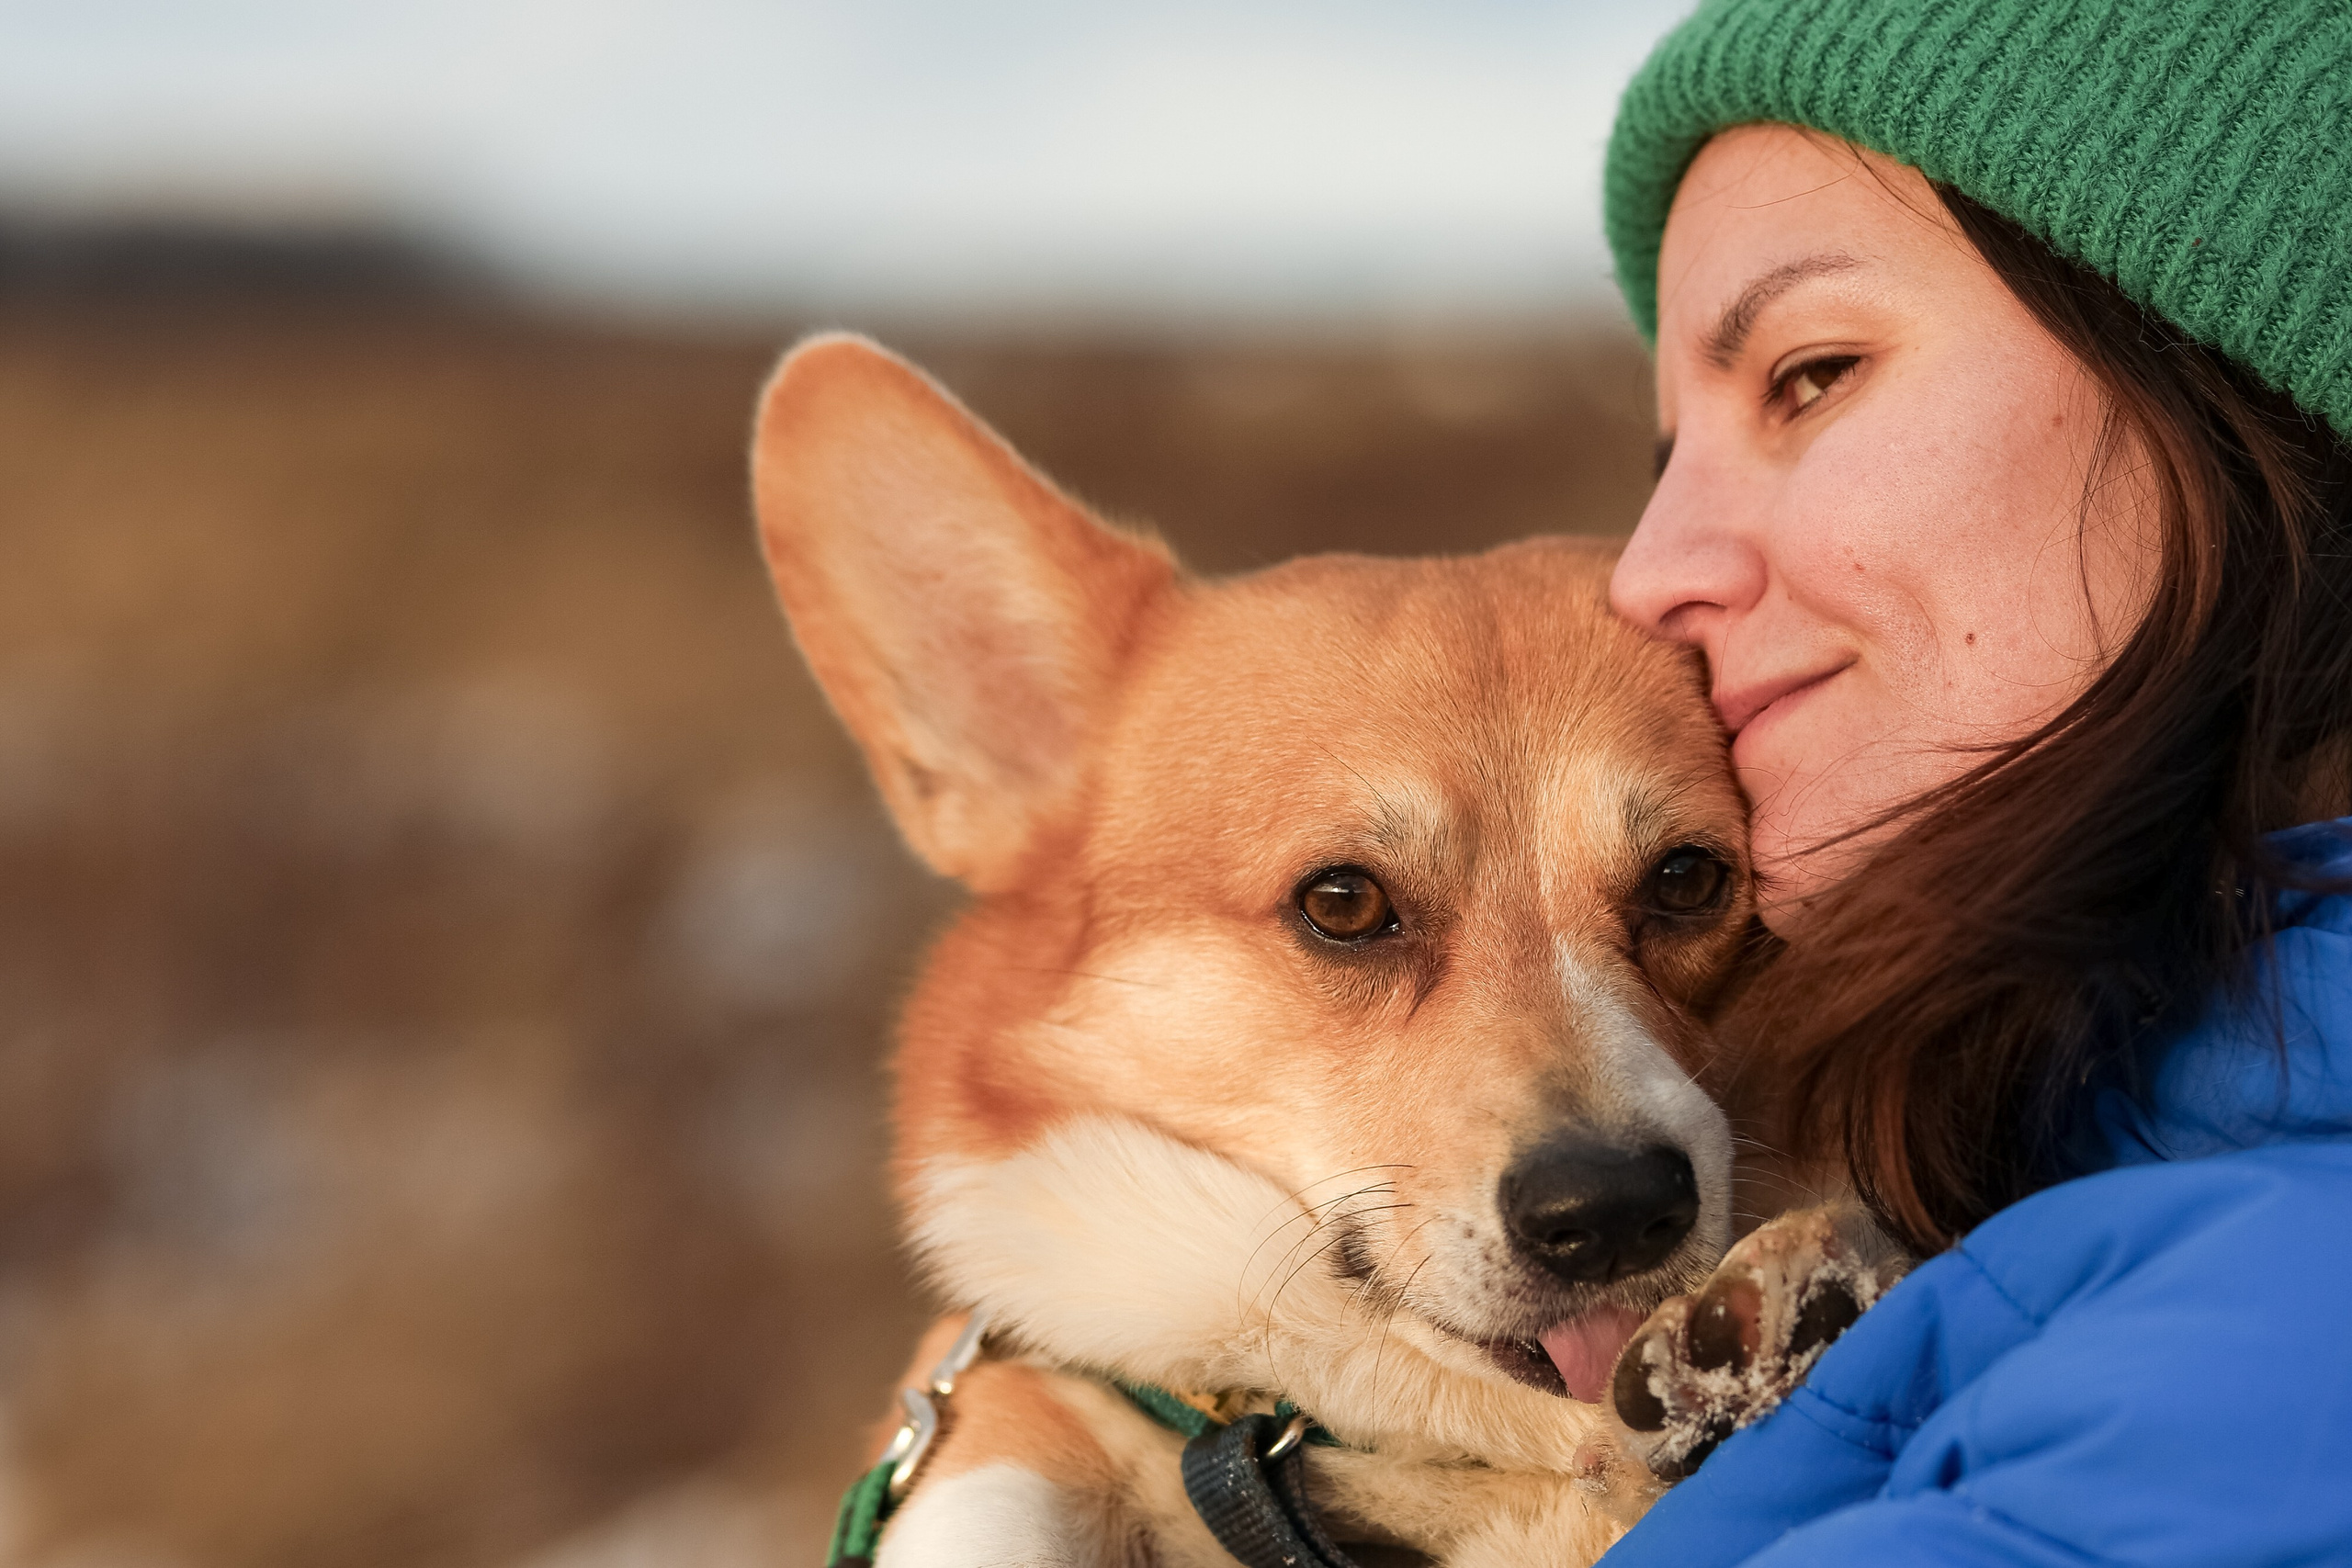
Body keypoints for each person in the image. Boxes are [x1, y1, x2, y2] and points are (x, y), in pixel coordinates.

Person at [1597, 0, 2352, 1562]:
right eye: (1667, 457)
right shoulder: (2070, 1201)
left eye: (1808, 376)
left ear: (2240, 365)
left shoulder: (2266, 1354)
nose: (1647, 573)